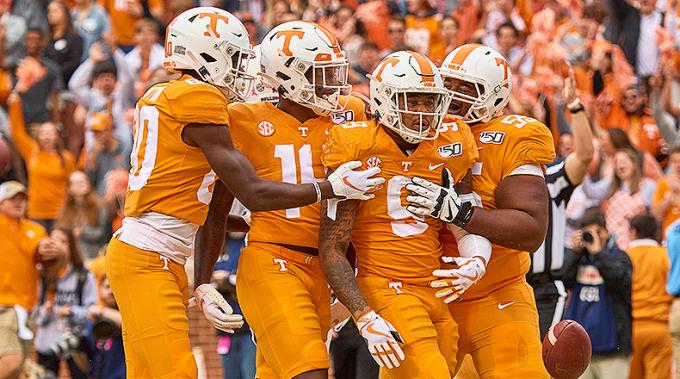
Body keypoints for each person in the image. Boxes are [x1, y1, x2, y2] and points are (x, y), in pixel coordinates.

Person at [106, 9, 381, 379]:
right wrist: (328, 188)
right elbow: (250, 193)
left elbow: (211, 207)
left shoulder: (171, 95)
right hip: (150, 254)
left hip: (158, 250)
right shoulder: (199, 98)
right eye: (234, 56)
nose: (241, 68)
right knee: (174, 373)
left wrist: (202, 280)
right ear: (204, 55)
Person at [198, 20, 371, 379]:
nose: (332, 83)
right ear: (287, 78)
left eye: (332, 71)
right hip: (272, 260)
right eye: (319, 74)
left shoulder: (353, 110)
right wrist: (201, 282)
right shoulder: (243, 119)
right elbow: (215, 211)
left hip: (327, 267)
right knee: (311, 371)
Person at [320, 51, 483, 377]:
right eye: (412, 100)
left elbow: (465, 216)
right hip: (387, 285)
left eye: (429, 101)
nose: (422, 112)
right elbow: (333, 246)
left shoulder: (453, 140)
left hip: (433, 288)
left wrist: (476, 258)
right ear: (384, 98)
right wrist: (362, 312)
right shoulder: (359, 143)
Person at [406, 44, 555, 377]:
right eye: (449, 83)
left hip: (496, 290)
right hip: (428, 294)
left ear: (495, 96)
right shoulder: (416, 129)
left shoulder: (512, 137)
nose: (453, 95)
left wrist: (461, 214)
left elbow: (531, 229)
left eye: (466, 88)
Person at [528, 73, 596, 338]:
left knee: (541, 363)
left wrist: (574, 106)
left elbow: (585, 155)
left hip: (544, 286)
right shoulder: (499, 177)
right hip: (506, 283)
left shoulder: (552, 180)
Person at [562, 208, 632, 379]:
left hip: (612, 349)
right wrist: (574, 252)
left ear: (607, 232)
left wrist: (598, 253)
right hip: (580, 350)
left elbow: (619, 279)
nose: (592, 237)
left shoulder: (619, 256)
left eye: (597, 232)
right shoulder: (577, 258)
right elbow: (563, 280)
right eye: (587, 233)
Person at [33, 227, 98, 379]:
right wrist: (46, 311)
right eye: (53, 240)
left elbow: (92, 310)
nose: (56, 246)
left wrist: (72, 311)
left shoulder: (83, 275)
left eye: (62, 241)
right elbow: (34, 313)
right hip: (47, 342)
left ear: (71, 246)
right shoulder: (42, 274)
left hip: (75, 344)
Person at [0, 181, 48, 379]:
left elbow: (47, 259)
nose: (19, 202)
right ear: (1, 202)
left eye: (23, 198)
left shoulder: (36, 230)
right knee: (12, 362)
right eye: (13, 198)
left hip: (28, 308)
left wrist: (54, 252)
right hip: (3, 306)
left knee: (18, 370)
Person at [8, 93, 76, 231]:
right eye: (43, 132)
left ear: (57, 137)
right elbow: (17, 132)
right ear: (38, 136)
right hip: (36, 213)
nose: (46, 136)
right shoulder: (32, 151)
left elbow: (72, 186)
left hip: (59, 213)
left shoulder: (66, 158)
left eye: (50, 133)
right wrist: (15, 104)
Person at [626, 214, 673, 379]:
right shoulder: (664, 256)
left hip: (630, 329)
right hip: (660, 327)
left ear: (633, 232)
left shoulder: (624, 256)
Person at [56, 171, 111, 259]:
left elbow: (103, 233)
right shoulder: (65, 209)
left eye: (84, 180)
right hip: (72, 256)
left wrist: (83, 232)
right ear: (70, 188)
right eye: (77, 182)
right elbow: (60, 230)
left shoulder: (99, 206)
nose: (82, 183)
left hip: (94, 254)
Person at [85, 276, 125, 379]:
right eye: (107, 287)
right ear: (100, 289)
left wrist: (101, 311)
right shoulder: (93, 319)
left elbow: (126, 324)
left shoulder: (127, 315)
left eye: (114, 287)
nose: (111, 291)